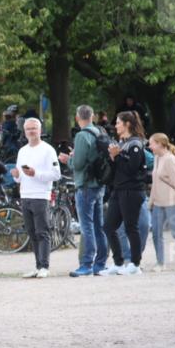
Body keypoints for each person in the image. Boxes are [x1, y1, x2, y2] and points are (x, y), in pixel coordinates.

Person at [99, 111, 148, 276]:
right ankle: (119, 263)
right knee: (108, 226)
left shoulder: (135, 144)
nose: (116, 125)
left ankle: (135, 264)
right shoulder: (121, 142)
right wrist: (112, 157)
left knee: (130, 227)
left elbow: (131, 170)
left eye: (118, 122)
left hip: (132, 190)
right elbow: (117, 169)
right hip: (118, 190)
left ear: (127, 124)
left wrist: (117, 156)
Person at [62, 105, 109, 276]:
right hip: (99, 184)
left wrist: (68, 160)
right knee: (99, 225)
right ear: (93, 116)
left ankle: (86, 264)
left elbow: (79, 164)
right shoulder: (99, 132)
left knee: (86, 226)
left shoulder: (82, 135)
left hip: (86, 185)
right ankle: (101, 263)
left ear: (77, 118)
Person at [11, 118, 61, 278]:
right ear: (24, 132)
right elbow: (19, 178)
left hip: (40, 195)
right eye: (28, 129)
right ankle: (38, 265)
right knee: (32, 233)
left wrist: (36, 173)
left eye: (34, 128)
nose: (31, 132)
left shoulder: (48, 150)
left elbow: (56, 174)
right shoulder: (22, 151)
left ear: (40, 130)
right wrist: (16, 176)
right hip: (25, 195)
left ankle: (45, 266)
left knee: (42, 231)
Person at [147, 133, 175, 271]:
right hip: (158, 203)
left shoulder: (170, 160)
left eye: (152, 143)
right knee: (156, 233)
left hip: (173, 202)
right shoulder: (157, 158)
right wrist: (151, 201)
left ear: (160, 144)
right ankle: (160, 263)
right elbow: (155, 182)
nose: (150, 146)